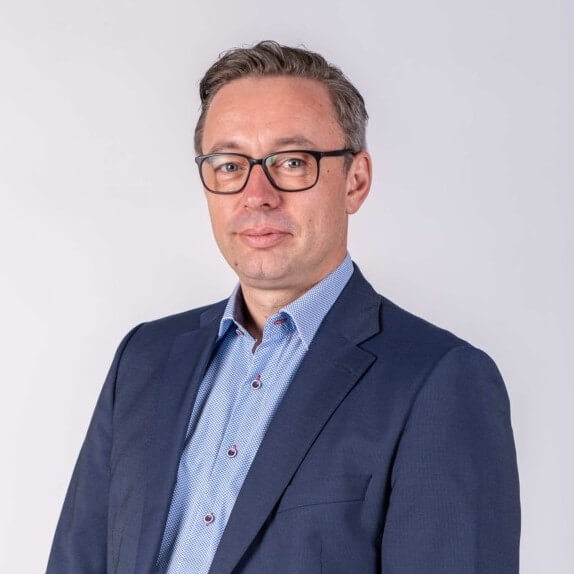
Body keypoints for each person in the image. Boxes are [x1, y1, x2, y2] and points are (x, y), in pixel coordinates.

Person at [47, 41, 520, 574]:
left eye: (293, 162)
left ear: (356, 181)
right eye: (230, 165)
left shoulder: (439, 381)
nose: (257, 194)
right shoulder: (144, 358)